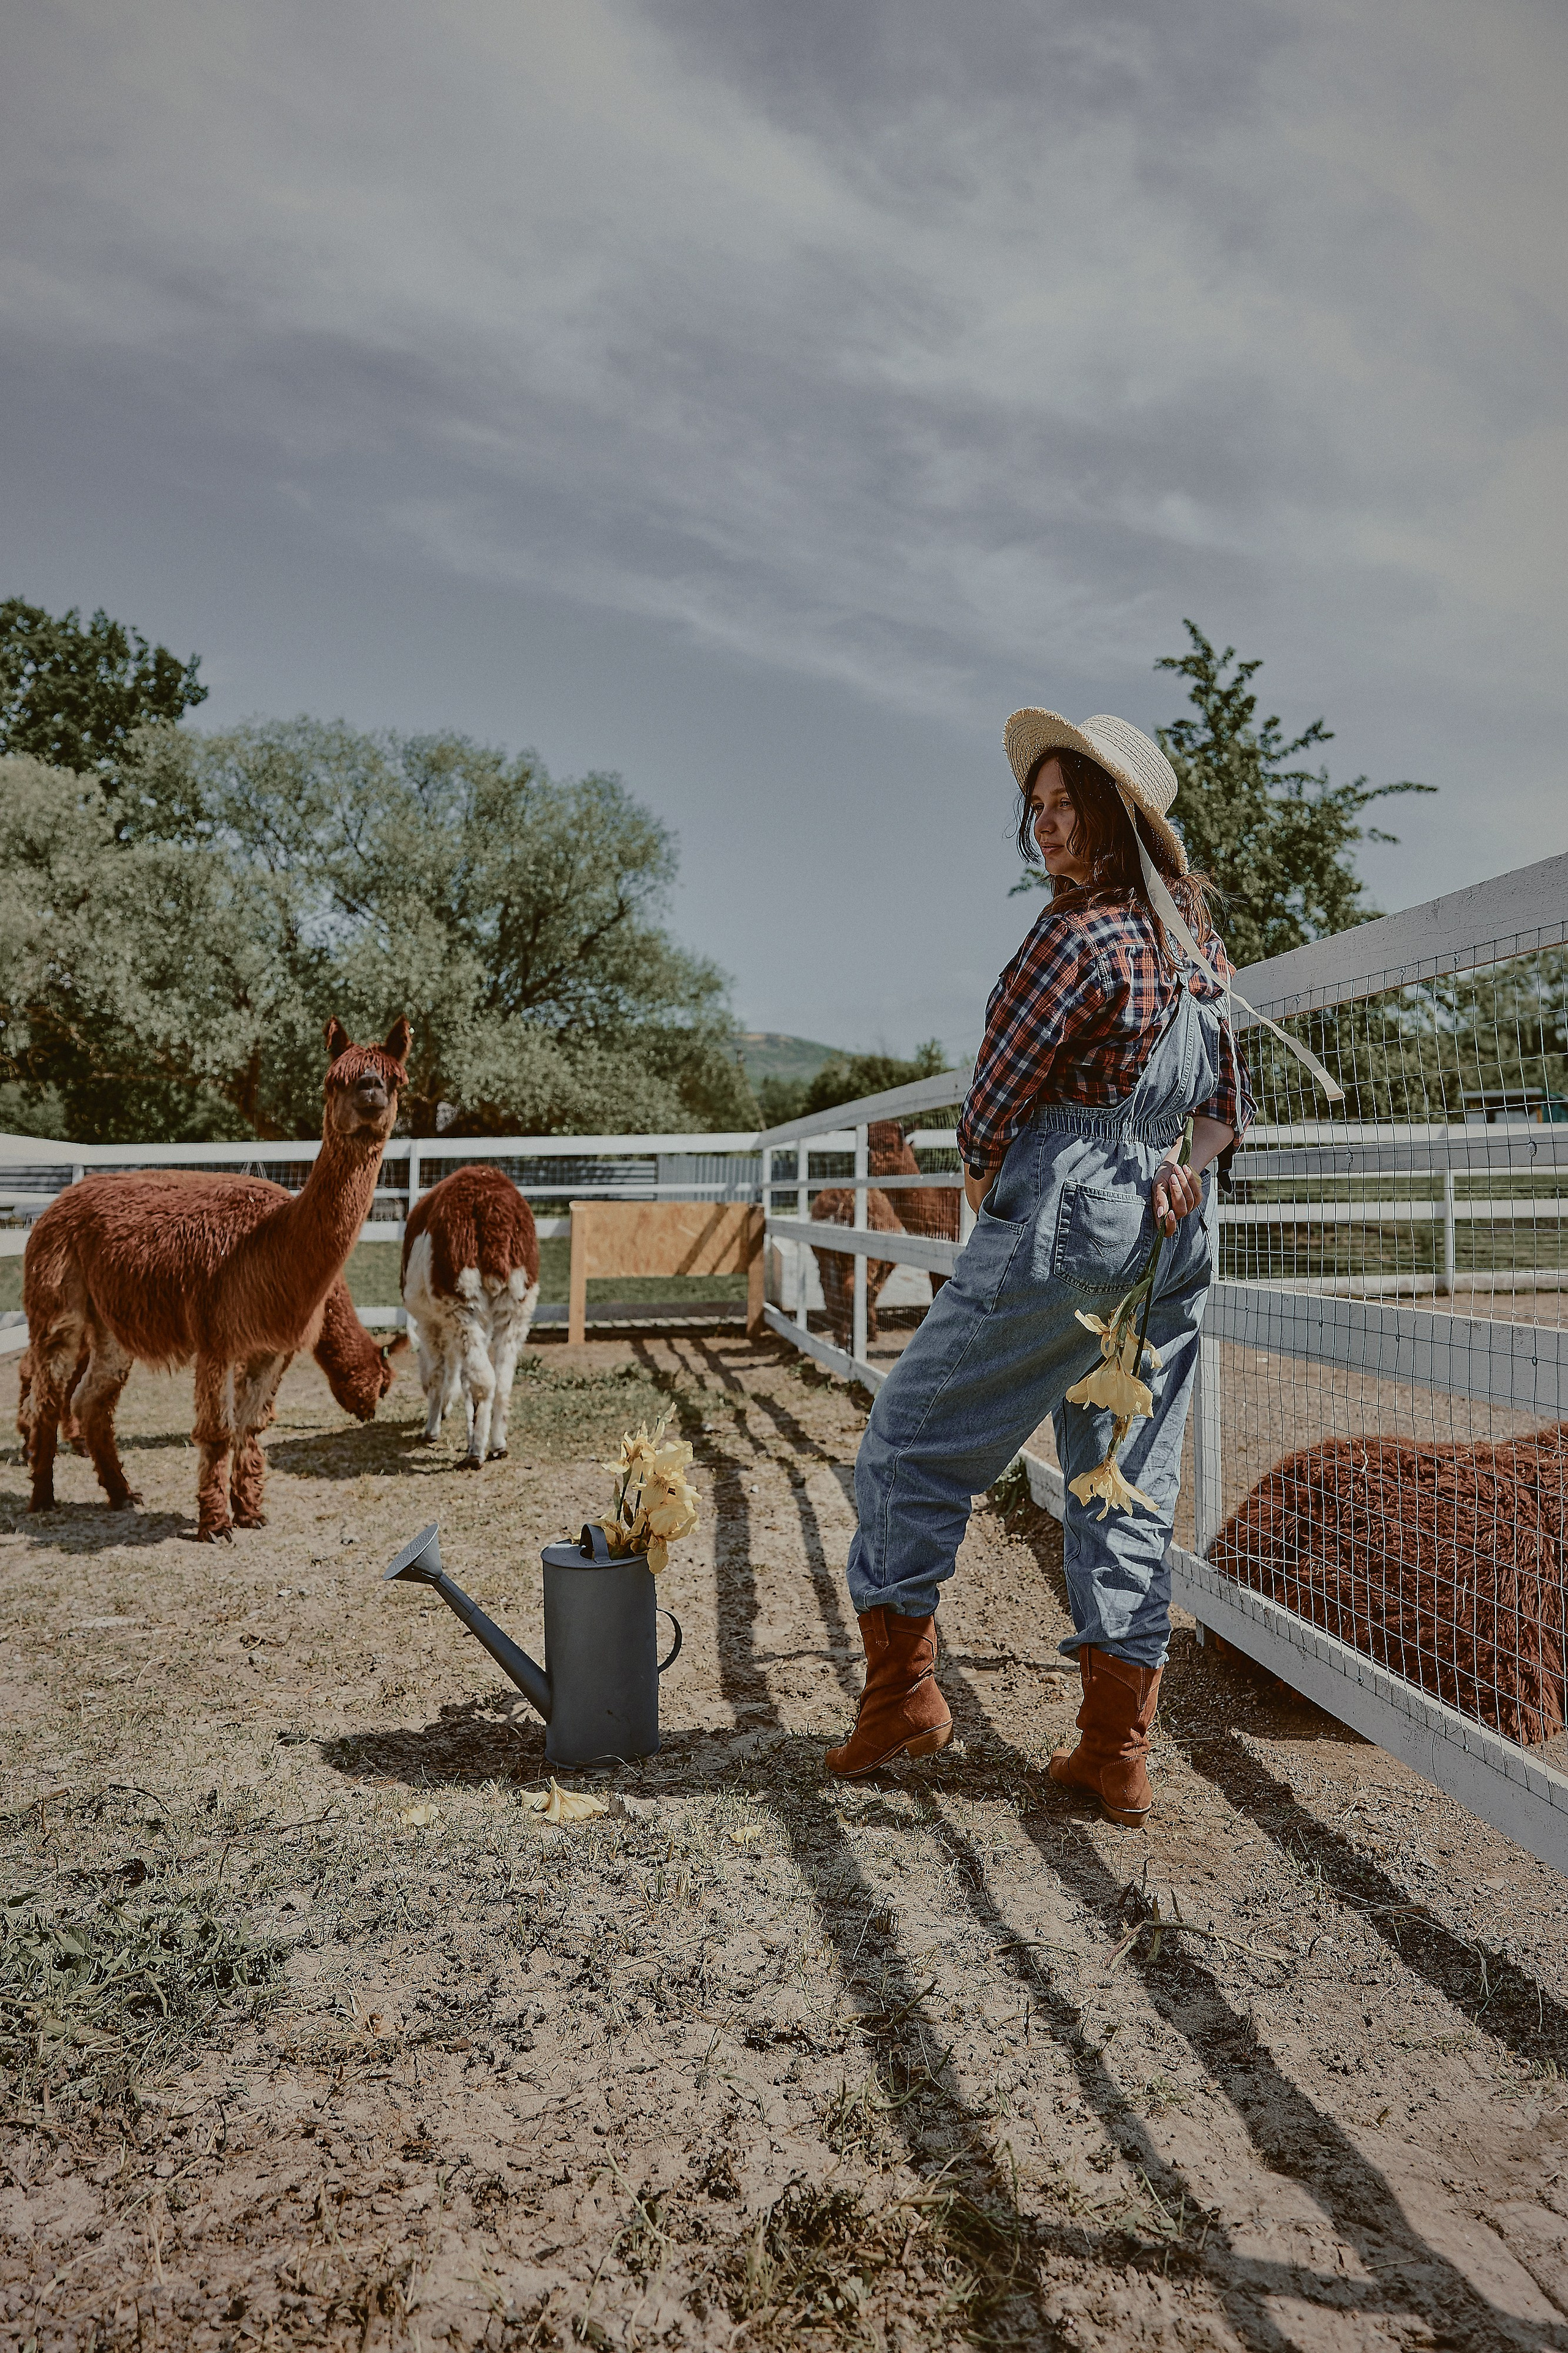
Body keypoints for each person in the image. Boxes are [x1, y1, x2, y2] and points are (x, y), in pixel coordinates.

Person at [826, 709, 1254, 1824]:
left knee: (910, 1438)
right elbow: (1222, 1109)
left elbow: (989, 1109)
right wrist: (1179, 1166)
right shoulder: (1197, 949)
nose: (1049, 825)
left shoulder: (1074, 941)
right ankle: (1116, 1749)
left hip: (1070, 1217)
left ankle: (903, 1696)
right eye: (1041, 807)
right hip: (1172, 1227)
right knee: (1122, 1471)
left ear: (1115, 819)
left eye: (1069, 807)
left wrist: (998, 1190)